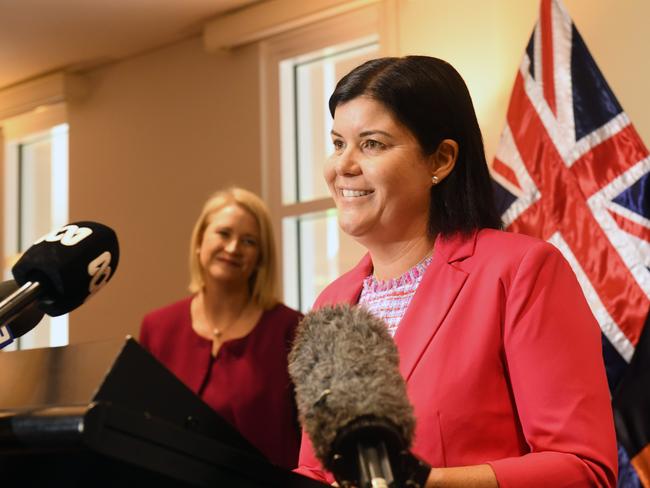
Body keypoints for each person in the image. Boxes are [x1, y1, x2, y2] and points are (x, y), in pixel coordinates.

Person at [294, 56, 618, 487]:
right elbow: (316, 471)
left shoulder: (520, 271)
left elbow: (584, 470)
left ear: (441, 160)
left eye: (371, 144)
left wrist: (429, 483)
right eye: (338, 144)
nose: (343, 166)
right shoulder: (330, 303)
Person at [139, 187, 302, 470]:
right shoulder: (157, 327)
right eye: (224, 233)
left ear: (260, 257)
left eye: (249, 241)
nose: (233, 248)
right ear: (200, 240)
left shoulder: (291, 329)